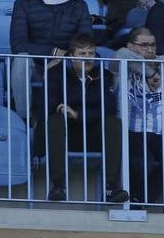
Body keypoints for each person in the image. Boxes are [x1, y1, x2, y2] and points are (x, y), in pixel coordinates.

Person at [9, 0, 94, 123]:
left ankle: (75, 118)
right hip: (37, 66)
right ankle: (23, 119)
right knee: (21, 60)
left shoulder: (79, 5)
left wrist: (64, 59)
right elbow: (18, 45)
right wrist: (53, 52)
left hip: (69, 65)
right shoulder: (24, 3)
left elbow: (87, 42)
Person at [45, 34, 129, 203]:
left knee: (113, 122)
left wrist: (77, 113)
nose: (88, 58)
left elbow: (108, 107)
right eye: (82, 54)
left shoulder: (103, 75)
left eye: (91, 54)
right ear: (71, 56)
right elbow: (52, 105)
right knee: (55, 120)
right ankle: (58, 186)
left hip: (93, 132)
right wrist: (88, 107)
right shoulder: (55, 73)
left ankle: (110, 188)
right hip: (66, 134)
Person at [116, 27, 164, 204]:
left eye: (153, 45)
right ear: (131, 46)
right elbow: (120, 54)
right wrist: (149, 72)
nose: (150, 49)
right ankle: (131, 198)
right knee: (141, 161)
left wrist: (157, 62)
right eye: (144, 45)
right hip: (130, 132)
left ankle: (139, 200)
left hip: (159, 133)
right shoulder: (121, 67)